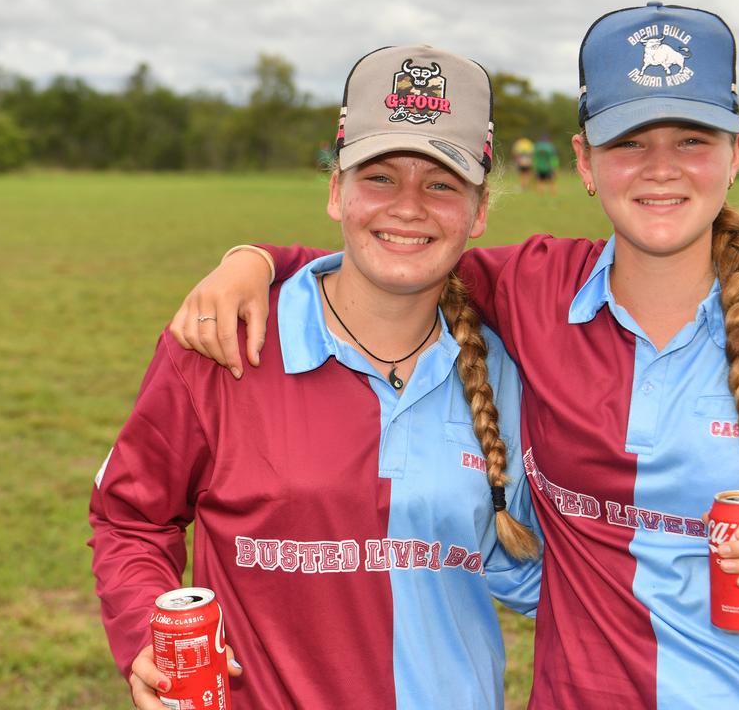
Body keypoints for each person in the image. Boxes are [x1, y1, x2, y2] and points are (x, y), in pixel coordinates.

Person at [170, 3, 739, 709]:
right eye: (628, 142)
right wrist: (258, 260)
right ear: (585, 163)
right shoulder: (534, 289)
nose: (660, 167)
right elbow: (394, 252)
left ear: (734, 155)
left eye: (691, 140)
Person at [90, 45, 541, 710]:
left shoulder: (503, 366)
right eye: (380, 177)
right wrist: (144, 634)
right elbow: (130, 518)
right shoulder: (223, 341)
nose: (409, 207)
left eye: (441, 183)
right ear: (337, 191)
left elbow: (556, 566)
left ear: (478, 212)